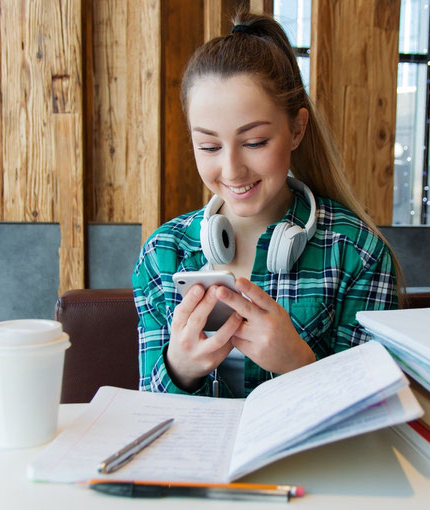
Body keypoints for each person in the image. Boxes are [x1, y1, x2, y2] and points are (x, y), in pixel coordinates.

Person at [133, 11, 403, 398]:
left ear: (296, 129)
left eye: (255, 142)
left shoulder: (357, 253)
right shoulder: (162, 255)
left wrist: (299, 363)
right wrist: (179, 369)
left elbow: (375, 412)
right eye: (209, 146)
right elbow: (149, 415)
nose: (232, 170)